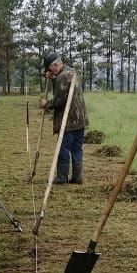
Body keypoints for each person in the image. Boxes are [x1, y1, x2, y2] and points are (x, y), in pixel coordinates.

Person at [40, 52, 87, 184]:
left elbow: (59, 101)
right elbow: (66, 92)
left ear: (55, 64)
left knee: (63, 148)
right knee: (77, 148)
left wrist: (46, 104)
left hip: (69, 120)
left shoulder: (62, 77)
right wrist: (53, 79)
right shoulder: (72, 72)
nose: (50, 71)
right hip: (80, 119)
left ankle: (62, 177)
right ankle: (77, 177)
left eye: (50, 69)